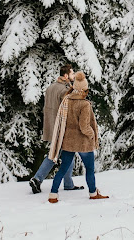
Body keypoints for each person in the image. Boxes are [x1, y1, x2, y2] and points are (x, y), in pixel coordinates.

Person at [47, 71, 109, 203]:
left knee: (63, 168)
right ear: (84, 89)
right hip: (83, 142)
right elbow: (84, 126)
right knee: (90, 169)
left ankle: (53, 194)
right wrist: (92, 134)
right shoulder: (84, 104)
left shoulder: (67, 100)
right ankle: (93, 193)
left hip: (68, 141)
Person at [29, 64, 84, 194]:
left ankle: (66, 183)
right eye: (72, 73)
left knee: (62, 153)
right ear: (66, 75)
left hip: (52, 126)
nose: (74, 75)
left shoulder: (51, 88)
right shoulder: (64, 90)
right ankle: (38, 179)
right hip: (62, 128)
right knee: (60, 154)